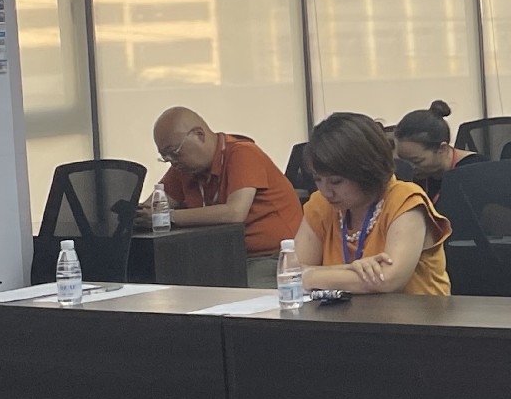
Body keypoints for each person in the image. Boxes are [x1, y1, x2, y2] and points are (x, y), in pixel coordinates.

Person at [294, 112, 451, 295]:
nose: (326, 191)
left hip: (415, 312)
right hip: (348, 312)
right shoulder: (321, 204)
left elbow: (388, 279)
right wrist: (347, 270)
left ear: (366, 171)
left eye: (336, 181)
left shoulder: (406, 200)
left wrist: (310, 275)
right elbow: (289, 272)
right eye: (317, 179)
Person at [151, 108, 304, 289]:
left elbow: (235, 213)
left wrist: (170, 217)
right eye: (165, 158)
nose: (173, 161)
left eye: (175, 152)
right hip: (220, 257)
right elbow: (155, 207)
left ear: (199, 135)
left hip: (271, 258)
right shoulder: (183, 168)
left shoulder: (242, 154)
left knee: (233, 295)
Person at [393, 101, 480, 204]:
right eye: (403, 160)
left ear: (442, 149)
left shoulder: (476, 173)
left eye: (417, 161)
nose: (410, 168)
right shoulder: (411, 177)